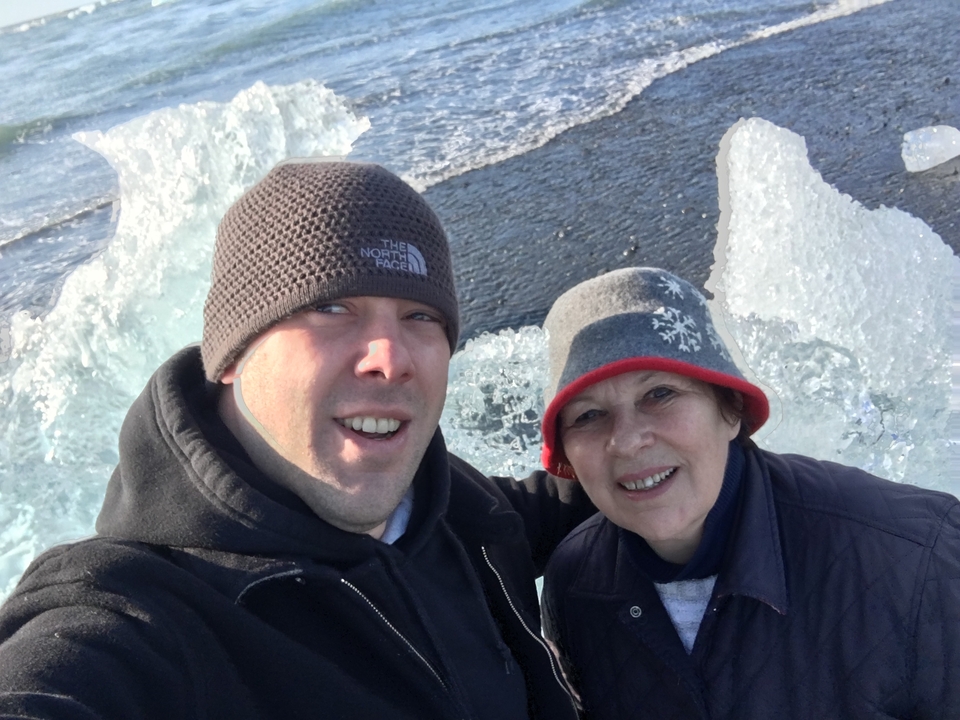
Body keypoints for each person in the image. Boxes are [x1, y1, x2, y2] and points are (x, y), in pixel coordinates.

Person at [0, 159, 588, 719]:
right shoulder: (138, 616)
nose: (391, 357)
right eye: (332, 306)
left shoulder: (449, 504)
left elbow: (571, 502)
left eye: (420, 317)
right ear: (232, 356)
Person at [539, 266, 960, 719]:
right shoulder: (575, 584)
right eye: (587, 415)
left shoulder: (914, 557)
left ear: (731, 408)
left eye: (659, 393)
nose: (626, 440)